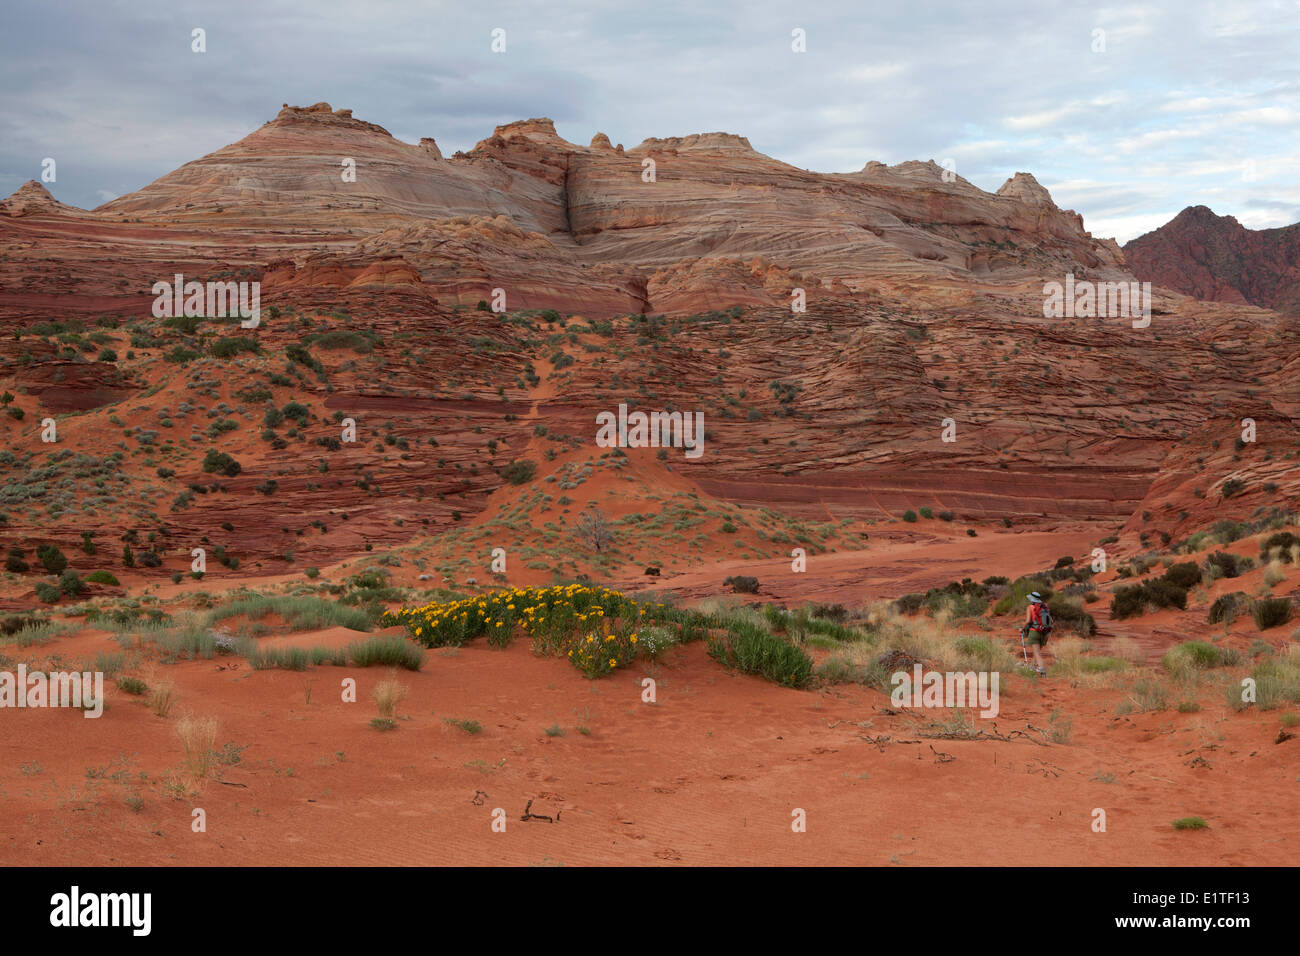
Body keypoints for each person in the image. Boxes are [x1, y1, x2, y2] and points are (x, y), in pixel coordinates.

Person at [1020, 591, 1052, 676]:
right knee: (1037, 652)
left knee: (1037, 653)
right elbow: (1051, 621)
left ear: (1031, 599)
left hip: (1035, 632)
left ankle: (1042, 671)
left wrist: (1022, 629)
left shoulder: (1030, 607)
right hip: (1045, 632)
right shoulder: (1045, 606)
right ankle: (1031, 667)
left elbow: (1028, 621)